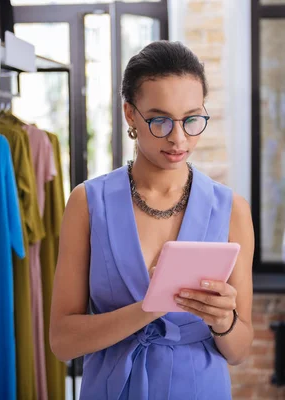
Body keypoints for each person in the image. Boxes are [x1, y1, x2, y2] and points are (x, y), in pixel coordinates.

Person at [49, 40, 254, 399]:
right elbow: (63, 342)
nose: (179, 139)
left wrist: (225, 322)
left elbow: (238, 351)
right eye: (160, 120)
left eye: (192, 119)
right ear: (130, 114)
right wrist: (148, 309)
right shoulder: (87, 202)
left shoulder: (231, 208)